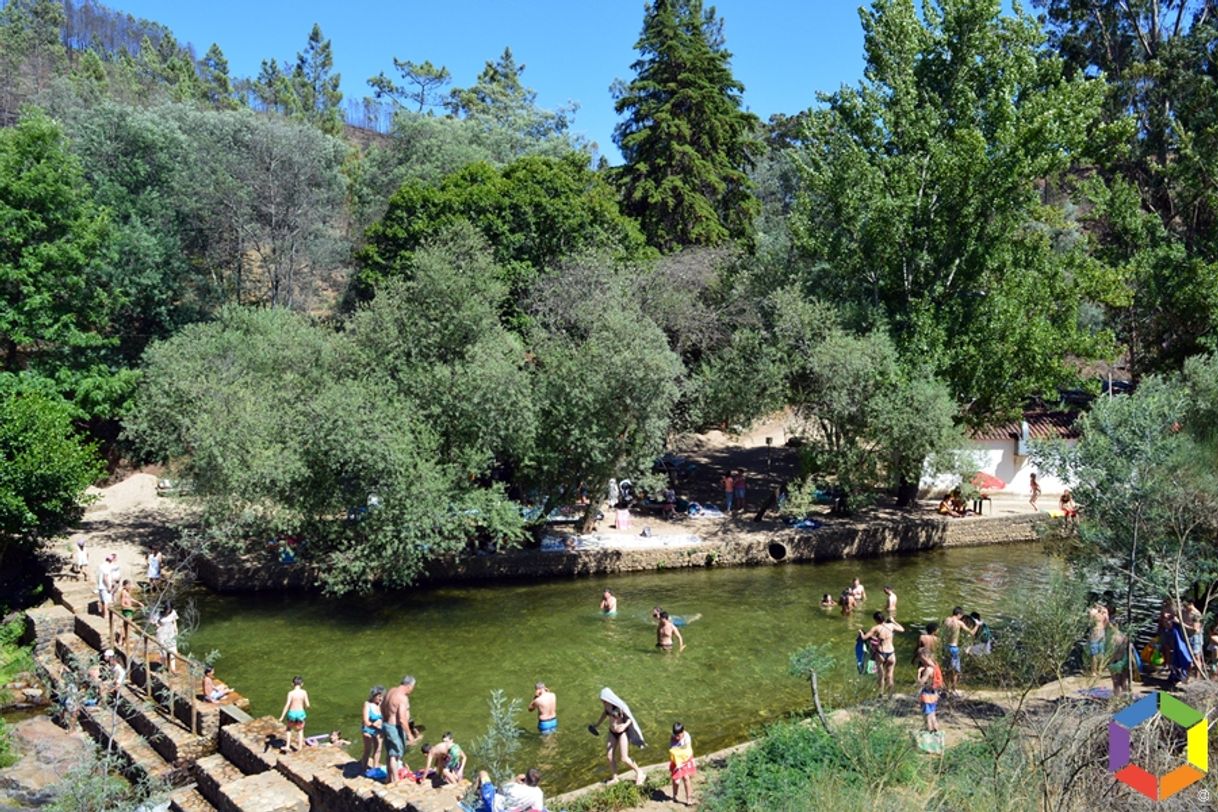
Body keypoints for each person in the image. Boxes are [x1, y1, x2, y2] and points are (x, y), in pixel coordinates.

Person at [591, 688, 645, 786]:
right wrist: (597, 724)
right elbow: (604, 714)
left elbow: (629, 719)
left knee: (624, 758)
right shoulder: (607, 706)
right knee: (609, 756)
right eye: (602, 700)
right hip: (612, 732)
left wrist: (624, 726)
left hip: (622, 733)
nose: (602, 702)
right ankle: (615, 778)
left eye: (603, 700)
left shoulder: (619, 706)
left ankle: (639, 772)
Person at [381, 676, 419, 785]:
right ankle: (395, 780)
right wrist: (409, 734)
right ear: (409, 686)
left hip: (386, 724)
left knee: (389, 753)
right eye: (412, 687)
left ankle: (389, 778)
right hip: (394, 728)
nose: (412, 690)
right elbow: (402, 719)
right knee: (395, 754)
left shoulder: (391, 691)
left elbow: (382, 707)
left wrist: (385, 721)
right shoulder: (402, 698)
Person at [859, 612, 905, 697]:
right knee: (890, 675)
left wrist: (861, 632)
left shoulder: (876, 628)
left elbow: (864, 638)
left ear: (876, 620)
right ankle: (891, 694)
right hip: (891, 653)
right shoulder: (891, 626)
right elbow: (902, 629)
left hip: (881, 654)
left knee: (881, 675)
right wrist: (893, 621)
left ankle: (881, 693)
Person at [476, 768, 543, 812]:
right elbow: (537, 809)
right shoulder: (539, 793)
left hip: (492, 804)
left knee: (483, 773)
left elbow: (499, 789)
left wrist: (514, 779)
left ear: (525, 777)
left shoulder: (514, 787)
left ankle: (473, 794)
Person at [943, 607, 975, 694]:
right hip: (954, 648)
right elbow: (971, 633)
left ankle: (946, 688)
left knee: (946, 669)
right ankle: (953, 689)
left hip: (945, 647)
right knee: (955, 671)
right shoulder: (959, 623)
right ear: (959, 614)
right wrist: (978, 625)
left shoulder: (946, 620)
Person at [278, 676, 310, 752]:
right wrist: (305, 707)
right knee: (300, 730)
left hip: (292, 713)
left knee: (289, 729)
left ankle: (287, 746)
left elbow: (287, 705)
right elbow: (308, 705)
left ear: (292, 684)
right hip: (300, 713)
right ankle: (300, 748)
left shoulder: (290, 693)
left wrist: (282, 716)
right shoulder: (304, 692)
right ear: (302, 684)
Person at [668, 722, 696, 806]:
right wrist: (677, 763)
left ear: (683, 732)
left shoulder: (686, 737)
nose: (677, 737)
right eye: (675, 735)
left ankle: (689, 799)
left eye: (679, 736)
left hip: (685, 759)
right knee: (676, 780)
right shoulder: (673, 737)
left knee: (686, 778)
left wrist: (684, 762)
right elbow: (672, 750)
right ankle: (675, 796)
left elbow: (687, 751)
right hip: (677, 761)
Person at [361, 686, 384, 771]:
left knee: (378, 749)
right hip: (368, 728)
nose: (381, 698)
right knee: (368, 750)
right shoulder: (367, 704)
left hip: (379, 730)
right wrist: (375, 726)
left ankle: (375, 768)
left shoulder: (381, 705)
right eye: (379, 697)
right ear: (373, 696)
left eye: (382, 696)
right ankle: (363, 768)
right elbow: (366, 721)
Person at [916, 651, 940, 733]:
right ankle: (936, 730)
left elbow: (920, 683)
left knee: (927, 715)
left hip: (926, 695)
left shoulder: (928, 670)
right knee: (933, 714)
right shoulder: (935, 667)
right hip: (934, 694)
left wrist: (919, 673)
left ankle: (929, 731)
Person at [1107, 622, 1132, 696]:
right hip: (1123, 661)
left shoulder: (1109, 638)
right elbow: (1129, 648)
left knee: (1116, 682)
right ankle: (1125, 696)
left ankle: (1117, 697)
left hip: (1114, 662)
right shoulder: (1123, 636)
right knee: (1124, 681)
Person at [155, 600, 179, 674]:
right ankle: (163, 666)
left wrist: (176, 631)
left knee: (172, 650)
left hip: (171, 633)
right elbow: (154, 622)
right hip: (162, 634)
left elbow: (174, 622)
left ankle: (173, 668)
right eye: (167, 610)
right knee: (163, 652)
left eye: (169, 610)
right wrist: (159, 626)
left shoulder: (173, 612)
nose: (168, 611)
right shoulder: (159, 613)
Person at [1087, 601, 1109, 676]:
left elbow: (1090, 623)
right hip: (1102, 632)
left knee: (1094, 653)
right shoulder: (1104, 611)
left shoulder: (1092, 612)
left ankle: (1093, 671)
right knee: (1101, 652)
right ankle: (1100, 670)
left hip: (1095, 633)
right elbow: (1107, 622)